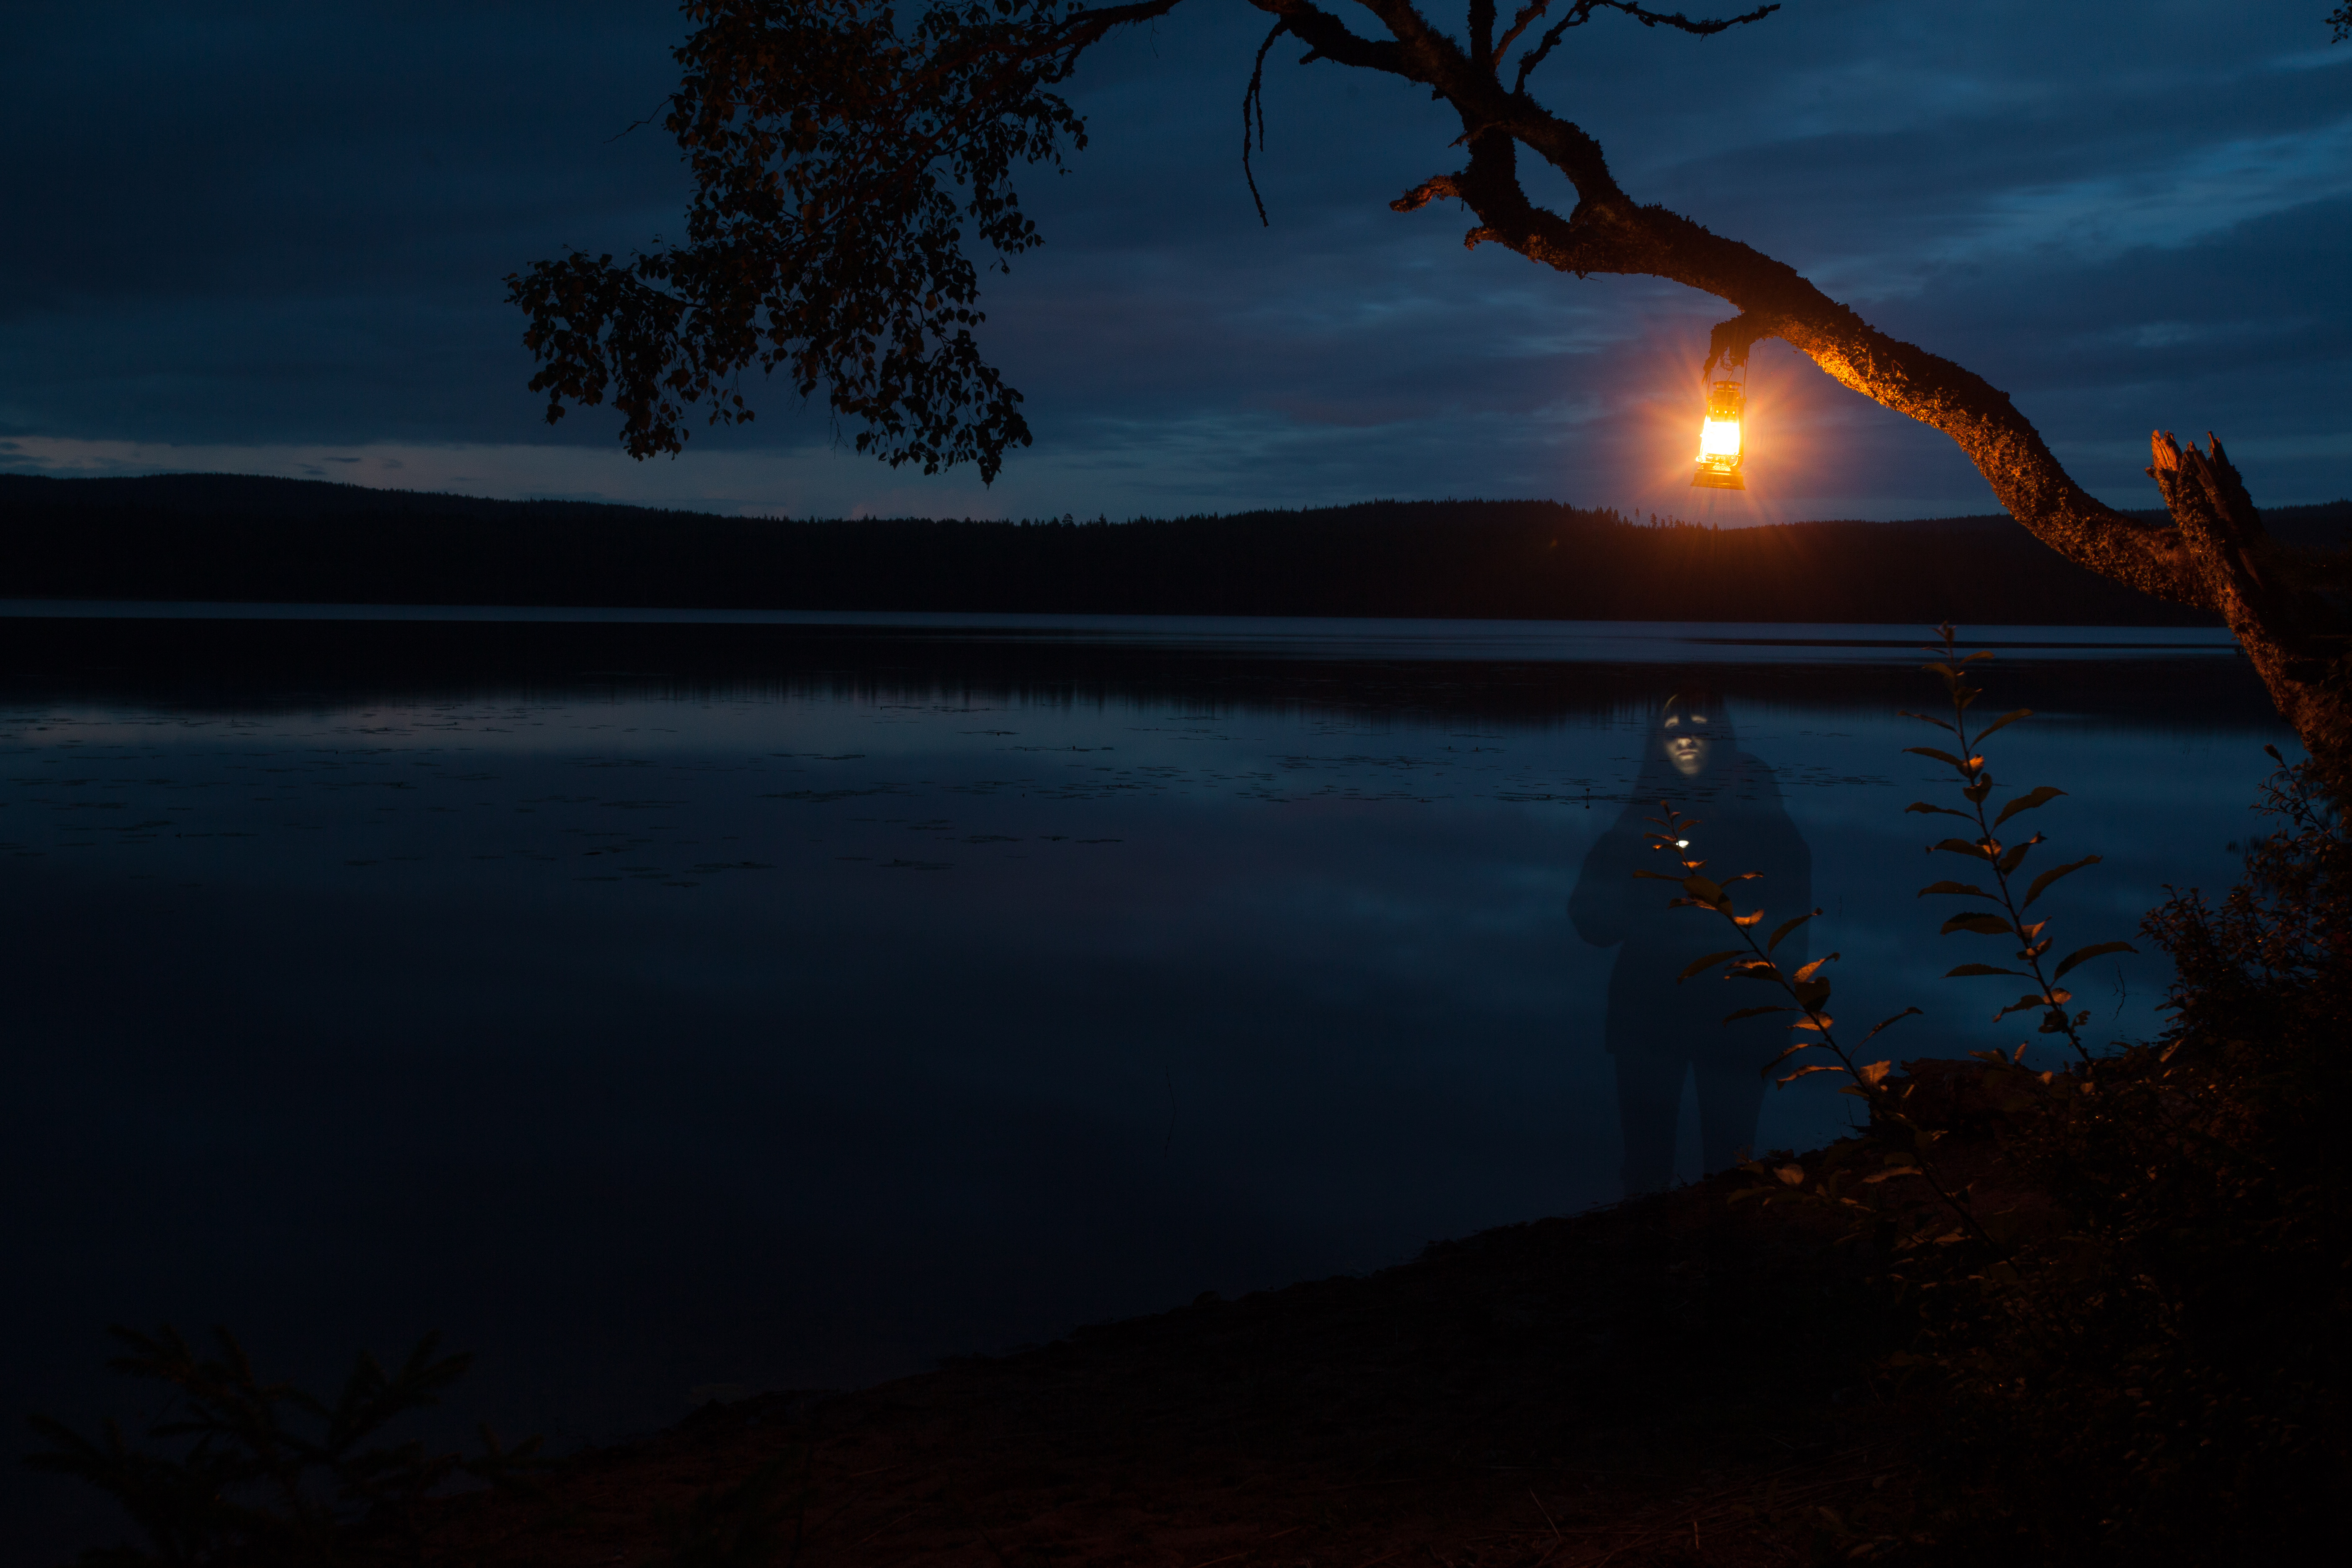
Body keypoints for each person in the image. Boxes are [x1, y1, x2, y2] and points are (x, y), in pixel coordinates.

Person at [1569, 686, 1813, 1194]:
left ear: (1721, 735)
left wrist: (1781, 1011)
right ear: (1657, 739)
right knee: (1646, 1165)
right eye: (1672, 728)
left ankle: (1722, 1262)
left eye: (1698, 726)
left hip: (1736, 1018)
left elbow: (1789, 914)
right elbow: (1591, 919)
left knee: (1729, 1167)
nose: (1684, 738)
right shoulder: (1643, 812)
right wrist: (1637, 900)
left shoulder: (1759, 811)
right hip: (1648, 1016)